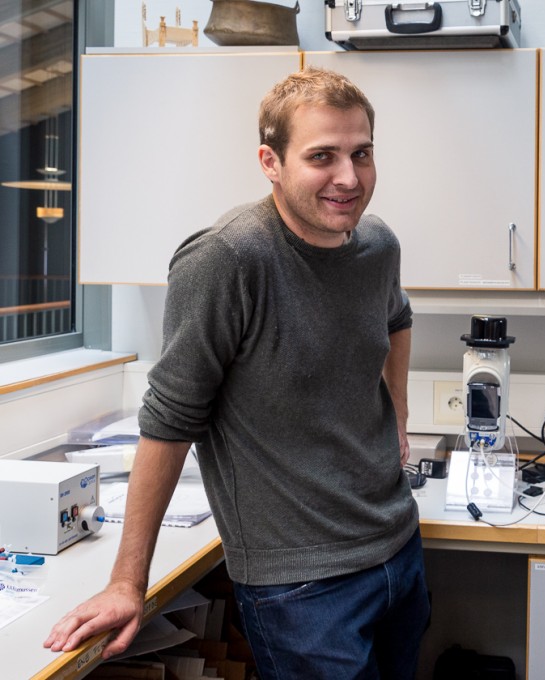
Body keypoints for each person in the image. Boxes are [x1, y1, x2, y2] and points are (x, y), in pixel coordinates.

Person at [44, 67, 430, 679]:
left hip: (396, 549)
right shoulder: (227, 259)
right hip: (302, 588)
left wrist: (399, 421)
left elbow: (398, 316)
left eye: (363, 154)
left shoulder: (375, 243)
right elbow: (168, 423)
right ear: (270, 162)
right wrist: (126, 583)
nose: (349, 178)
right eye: (322, 156)